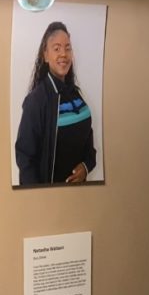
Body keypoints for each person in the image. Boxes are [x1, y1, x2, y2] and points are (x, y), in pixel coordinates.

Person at [15, 21, 97, 185]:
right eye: (57, 48)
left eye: (68, 48)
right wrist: (37, 200)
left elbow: (89, 148)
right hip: (52, 199)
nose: (63, 54)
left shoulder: (76, 96)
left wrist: (86, 167)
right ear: (45, 55)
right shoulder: (36, 101)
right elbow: (26, 160)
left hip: (80, 196)